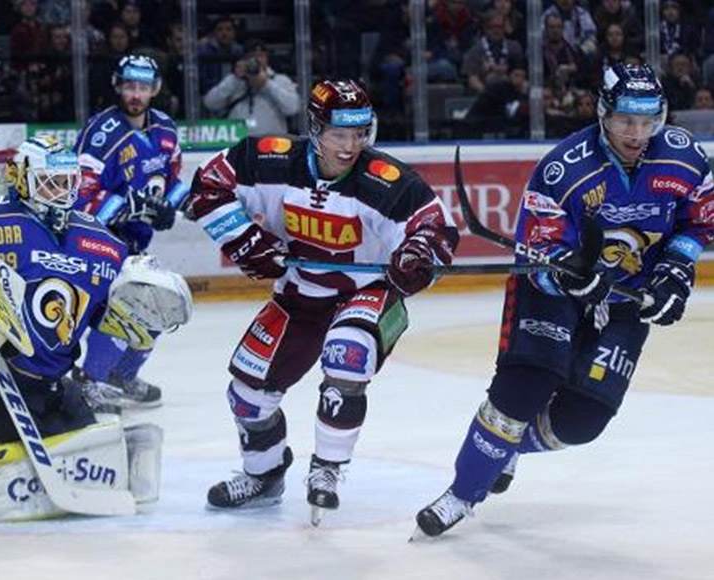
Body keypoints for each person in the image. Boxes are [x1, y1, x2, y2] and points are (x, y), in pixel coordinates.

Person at [413, 62, 714, 538]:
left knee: (581, 421)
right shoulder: (563, 168)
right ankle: (462, 493)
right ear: (603, 114)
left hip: (627, 300)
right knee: (522, 391)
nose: (637, 133)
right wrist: (571, 276)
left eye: (647, 121)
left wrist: (675, 272)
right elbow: (542, 252)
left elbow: (698, 223)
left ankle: (507, 448)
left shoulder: (685, 158)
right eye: (625, 121)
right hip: (553, 293)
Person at [184, 79, 459, 520]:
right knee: (247, 395)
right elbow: (207, 188)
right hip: (299, 295)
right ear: (314, 129)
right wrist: (245, 241)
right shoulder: (268, 158)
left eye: (360, 133)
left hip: (365, 294)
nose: (351, 146)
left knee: (346, 358)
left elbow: (436, 229)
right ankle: (265, 474)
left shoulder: (387, 181)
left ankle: (327, 468)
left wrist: (416, 256)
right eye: (338, 134)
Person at [0, 137, 190, 520]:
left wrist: (137, 311)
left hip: (52, 390)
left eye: (69, 181)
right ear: (21, 178)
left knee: (102, 457)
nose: (62, 193)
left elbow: (108, 315)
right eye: (51, 182)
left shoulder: (101, 242)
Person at [73, 54, 189, 408]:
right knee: (123, 307)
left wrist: (173, 206)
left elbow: (174, 178)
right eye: (128, 86)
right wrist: (130, 207)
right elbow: (80, 193)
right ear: (116, 85)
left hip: (136, 243)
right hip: (96, 240)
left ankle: (121, 376)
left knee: (154, 302)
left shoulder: (166, 129)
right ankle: (91, 381)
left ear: (154, 89)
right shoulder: (100, 133)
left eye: (142, 87)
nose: (135, 94)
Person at [203, 39, 301, 136]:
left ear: (267, 58)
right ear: (244, 59)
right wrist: (234, 79)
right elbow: (210, 103)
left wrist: (266, 84)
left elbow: (293, 108)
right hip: (239, 143)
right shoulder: (234, 81)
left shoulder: (280, 80)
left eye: (261, 56)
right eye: (252, 57)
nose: (257, 60)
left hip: (271, 143)